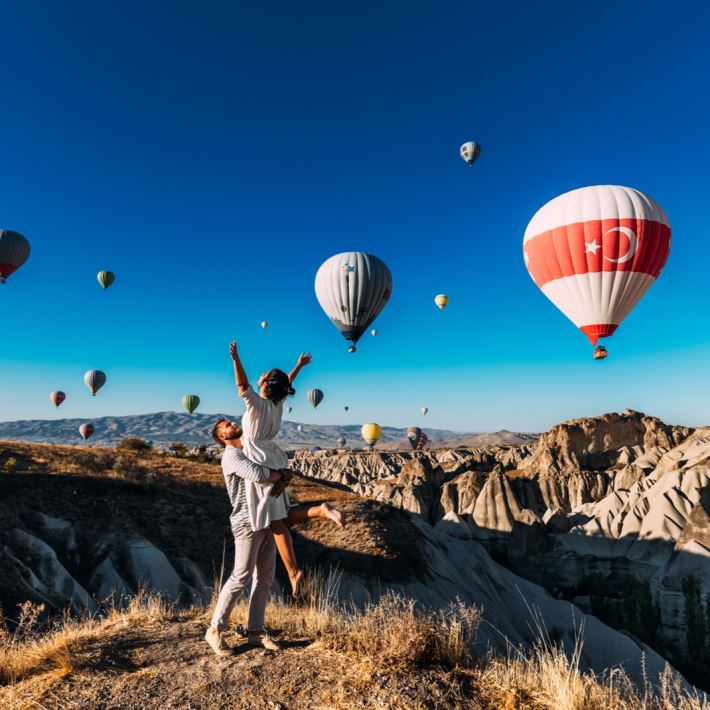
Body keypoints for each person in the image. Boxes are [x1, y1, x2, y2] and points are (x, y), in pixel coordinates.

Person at [229, 340, 344, 598]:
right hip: (273, 458)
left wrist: (236, 359)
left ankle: (293, 572)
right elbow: (286, 384)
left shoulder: (257, 404)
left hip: (259, 460)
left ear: (266, 385)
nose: (260, 376)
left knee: (276, 523)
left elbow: (241, 385)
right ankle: (319, 510)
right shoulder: (277, 405)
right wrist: (298, 367)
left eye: (264, 376)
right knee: (281, 517)